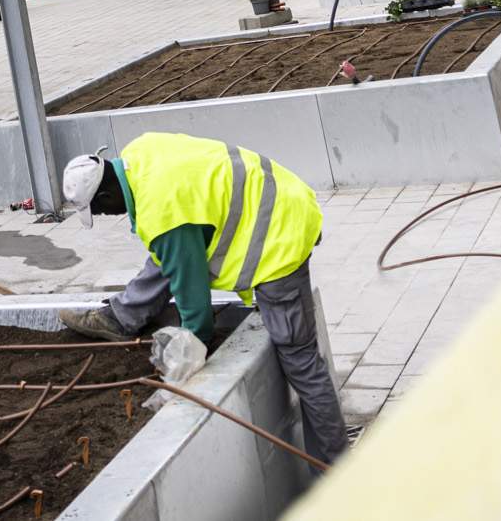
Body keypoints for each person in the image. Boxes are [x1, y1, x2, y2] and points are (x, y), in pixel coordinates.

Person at [57, 135, 349, 463]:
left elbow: (193, 296)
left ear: (108, 194)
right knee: (169, 247)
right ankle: (123, 317)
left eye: (101, 210)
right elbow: (174, 246)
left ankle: (333, 467)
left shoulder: (162, 211)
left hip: (280, 231)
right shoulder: (140, 152)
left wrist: (192, 349)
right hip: (275, 193)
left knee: (300, 357)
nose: (110, 215)